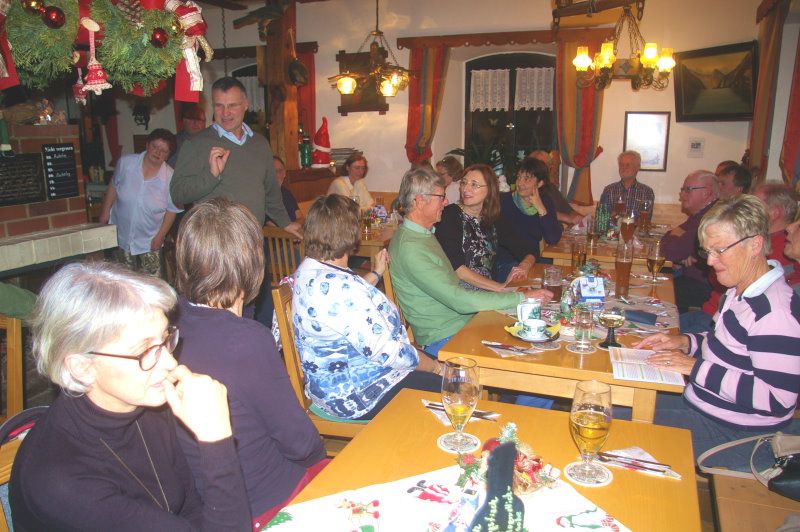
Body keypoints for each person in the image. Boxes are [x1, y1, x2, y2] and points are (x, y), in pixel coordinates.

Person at [9, 262, 250, 530]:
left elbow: (190, 506)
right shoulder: (62, 482)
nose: (170, 364)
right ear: (83, 367)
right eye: (144, 351)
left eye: (165, 339)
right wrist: (216, 439)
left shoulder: (143, 404)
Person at [173, 198, 326, 529]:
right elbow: (300, 444)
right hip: (265, 499)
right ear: (251, 261)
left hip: (204, 502)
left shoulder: (164, 327)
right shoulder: (246, 340)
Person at [633, 195, 800, 471]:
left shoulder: (773, 312)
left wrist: (694, 366)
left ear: (755, 244)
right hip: (704, 405)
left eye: (719, 250)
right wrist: (685, 342)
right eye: (707, 251)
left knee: (621, 424)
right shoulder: (739, 289)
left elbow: (777, 399)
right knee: (620, 398)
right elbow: (728, 346)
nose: (710, 261)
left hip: (736, 433)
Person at [292, 194, 443, 420]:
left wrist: (375, 273)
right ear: (351, 234)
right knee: (451, 384)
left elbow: (339, 308)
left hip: (330, 384)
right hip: (353, 395)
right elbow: (387, 351)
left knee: (433, 362)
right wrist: (435, 368)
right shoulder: (340, 289)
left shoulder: (310, 270)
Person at [170, 76, 302, 325]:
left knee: (253, 308)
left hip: (252, 239)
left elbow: (270, 190)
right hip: (215, 245)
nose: (225, 112)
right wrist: (211, 176)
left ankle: (251, 354)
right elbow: (177, 193)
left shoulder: (260, 144)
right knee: (219, 312)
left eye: (232, 105)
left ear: (245, 105)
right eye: (219, 106)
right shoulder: (197, 144)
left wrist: (285, 222)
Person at [388, 167, 552, 356]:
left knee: (537, 334)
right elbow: (458, 299)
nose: (447, 202)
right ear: (419, 202)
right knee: (530, 354)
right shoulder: (410, 247)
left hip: (466, 322)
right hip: (447, 338)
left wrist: (517, 296)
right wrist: (521, 298)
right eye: (441, 197)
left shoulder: (424, 234)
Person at [436, 163, 537, 292]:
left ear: (489, 189)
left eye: (474, 185)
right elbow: (457, 269)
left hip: (488, 292)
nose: (466, 189)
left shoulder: (493, 219)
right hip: (459, 295)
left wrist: (524, 266)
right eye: (464, 183)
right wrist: (500, 288)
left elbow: (530, 249)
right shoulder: (450, 216)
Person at [99, 128, 182, 278]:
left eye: (164, 151)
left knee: (154, 286)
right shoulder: (126, 163)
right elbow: (113, 186)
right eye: (155, 147)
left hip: (149, 240)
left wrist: (160, 236)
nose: (158, 152)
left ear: (168, 155)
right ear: (147, 145)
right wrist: (105, 212)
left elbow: (172, 210)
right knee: (123, 282)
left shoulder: (171, 177)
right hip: (121, 234)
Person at [662, 170, 719, 313]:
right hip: (689, 277)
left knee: (656, 293)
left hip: (703, 287)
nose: (682, 195)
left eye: (688, 190)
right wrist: (682, 249)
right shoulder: (698, 215)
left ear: (706, 193)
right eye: (683, 190)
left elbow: (670, 251)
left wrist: (679, 241)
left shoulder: (712, 216)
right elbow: (667, 239)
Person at [497, 157, 563, 274]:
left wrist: (541, 208)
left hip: (535, 261)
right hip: (509, 263)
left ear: (540, 183)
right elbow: (508, 242)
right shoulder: (504, 202)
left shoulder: (546, 202)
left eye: (527, 179)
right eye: (519, 177)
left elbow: (553, 238)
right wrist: (529, 259)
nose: (520, 183)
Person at [528, 150, 583, 225]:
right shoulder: (526, 189)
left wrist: (580, 217)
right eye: (538, 165)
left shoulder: (551, 188)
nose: (541, 168)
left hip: (559, 230)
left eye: (545, 165)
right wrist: (567, 218)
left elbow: (568, 210)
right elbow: (537, 211)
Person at [598, 150, 655, 219]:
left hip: (635, 230)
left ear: (637, 167)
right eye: (621, 165)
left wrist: (626, 219)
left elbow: (646, 220)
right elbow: (602, 218)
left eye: (628, 165)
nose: (623, 168)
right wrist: (612, 215)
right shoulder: (609, 190)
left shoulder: (647, 192)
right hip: (613, 229)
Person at [266, 156, 303, 225]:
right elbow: (272, 227)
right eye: (274, 171)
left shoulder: (286, 193)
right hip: (278, 235)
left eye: (280, 171)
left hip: (292, 233)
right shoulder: (264, 196)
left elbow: (301, 218)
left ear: (284, 173)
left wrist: (293, 227)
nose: (277, 175)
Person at [167, 104, 206, 168]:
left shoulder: (210, 141)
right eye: (191, 119)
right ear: (184, 121)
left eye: (199, 120)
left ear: (204, 123)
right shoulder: (174, 142)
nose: (195, 123)